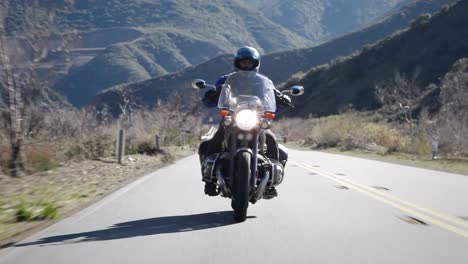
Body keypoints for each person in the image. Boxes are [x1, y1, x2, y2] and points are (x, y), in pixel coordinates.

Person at [199, 46, 292, 198]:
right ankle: (209, 181)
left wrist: (282, 99)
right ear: (237, 63)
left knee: (271, 139)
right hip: (232, 118)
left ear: (255, 64)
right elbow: (212, 100)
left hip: (256, 118)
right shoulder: (225, 80)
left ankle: (270, 184)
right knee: (214, 140)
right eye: (243, 62)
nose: (246, 65)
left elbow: (272, 99)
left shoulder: (263, 82)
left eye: (249, 63)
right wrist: (211, 94)